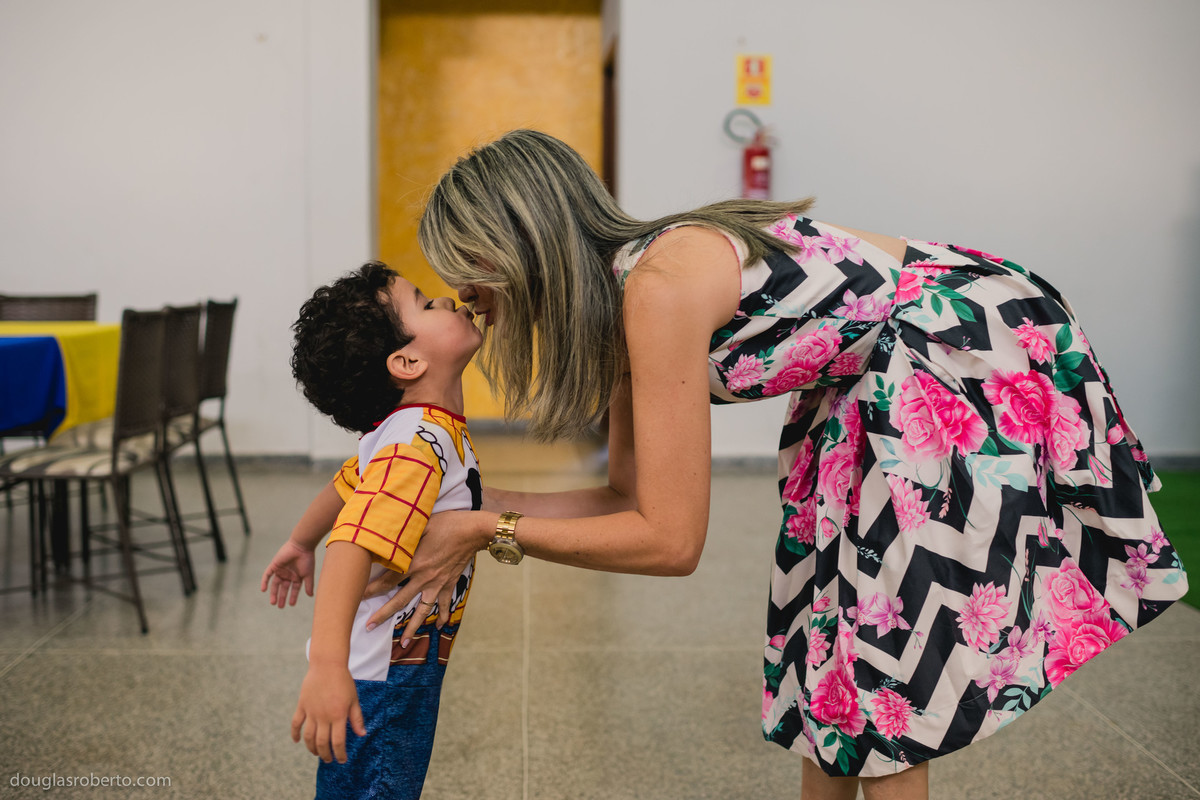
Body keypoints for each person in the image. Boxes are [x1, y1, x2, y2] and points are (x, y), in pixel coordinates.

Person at [366, 130, 1188, 800]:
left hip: (960, 342)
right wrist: (471, 503)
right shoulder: (617, 305)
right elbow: (625, 493)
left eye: (469, 264)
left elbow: (670, 540)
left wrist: (488, 529)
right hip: (866, 376)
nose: (466, 291)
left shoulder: (658, 286)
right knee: (821, 645)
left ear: (519, 243)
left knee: (882, 656)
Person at [260, 261, 484, 800]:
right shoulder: (417, 441)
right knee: (379, 787)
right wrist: (328, 666)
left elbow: (343, 488)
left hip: (386, 663)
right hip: (384, 672)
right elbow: (353, 538)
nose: (451, 299)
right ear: (406, 361)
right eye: (427, 303)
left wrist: (297, 541)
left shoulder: (400, 432)